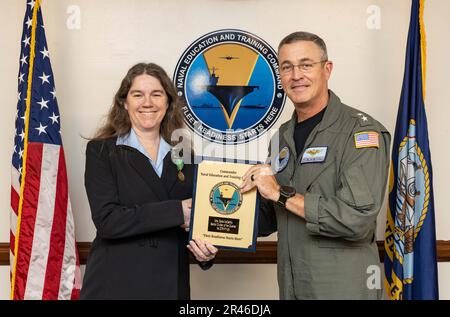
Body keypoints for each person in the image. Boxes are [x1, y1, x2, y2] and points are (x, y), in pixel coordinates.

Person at [240, 32, 391, 299]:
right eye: (287, 67)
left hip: (343, 290)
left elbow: (357, 220)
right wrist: (215, 217)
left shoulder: (360, 133)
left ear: (327, 69)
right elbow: (272, 217)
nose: (296, 75)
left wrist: (280, 193)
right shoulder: (282, 137)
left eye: (306, 64)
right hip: (292, 287)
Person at [80, 63, 218, 300]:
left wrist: (205, 252)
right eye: (138, 95)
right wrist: (177, 211)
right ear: (124, 102)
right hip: (115, 284)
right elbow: (108, 221)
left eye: (156, 94)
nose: (147, 103)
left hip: (169, 285)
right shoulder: (101, 151)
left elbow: (195, 220)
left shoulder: (186, 154)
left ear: (168, 102)